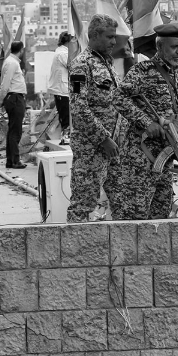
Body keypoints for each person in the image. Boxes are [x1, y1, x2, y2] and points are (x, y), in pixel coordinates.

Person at [105, 22, 178, 220]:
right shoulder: (143, 71)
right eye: (174, 47)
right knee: (135, 217)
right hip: (140, 160)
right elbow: (118, 97)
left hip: (165, 159)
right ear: (159, 47)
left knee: (160, 216)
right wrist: (146, 123)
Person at [67, 15, 121, 223]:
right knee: (83, 203)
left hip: (113, 147)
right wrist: (103, 138)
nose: (114, 41)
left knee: (122, 201)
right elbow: (78, 108)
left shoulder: (108, 63)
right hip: (92, 148)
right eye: (109, 37)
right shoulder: (81, 66)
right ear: (95, 35)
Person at [0, 41, 28, 168]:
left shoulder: (11, 62)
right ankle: (15, 160)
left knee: (12, 130)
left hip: (14, 97)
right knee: (16, 131)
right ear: (20, 50)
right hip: (15, 98)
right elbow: (6, 82)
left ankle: (10, 160)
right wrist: (1, 99)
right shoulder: (12, 63)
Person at [48, 31, 74, 140]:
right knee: (66, 118)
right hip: (62, 91)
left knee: (67, 118)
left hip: (63, 90)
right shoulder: (63, 54)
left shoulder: (61, 52)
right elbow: (73, 66)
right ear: (68, 41)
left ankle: (66, 137)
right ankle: (66, 138)